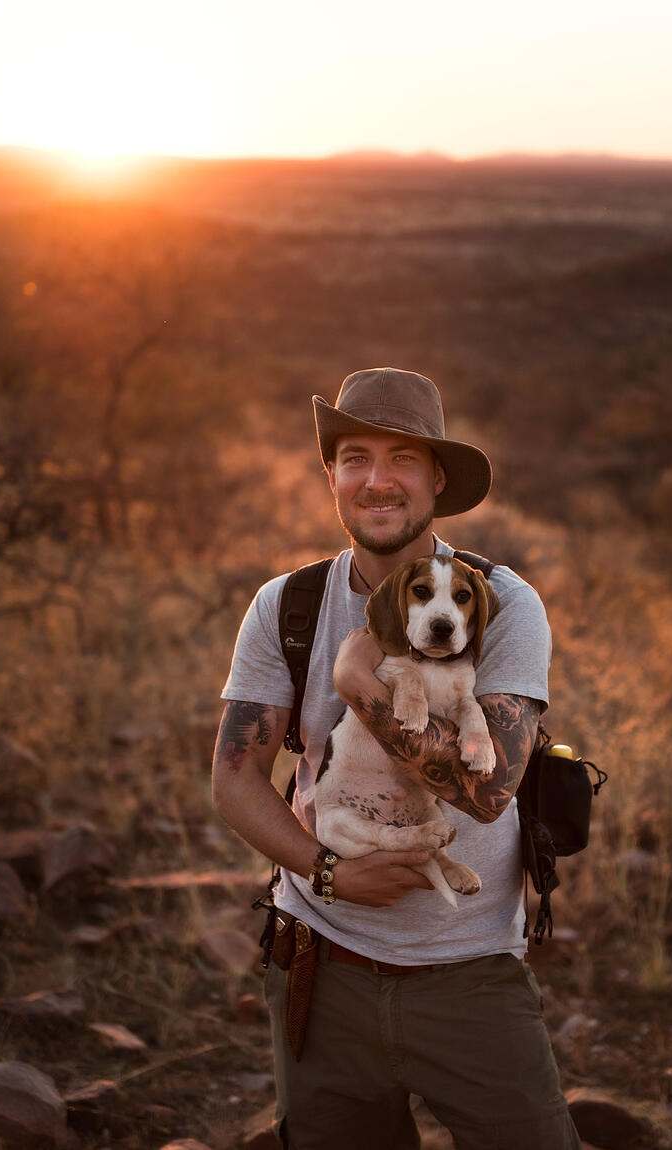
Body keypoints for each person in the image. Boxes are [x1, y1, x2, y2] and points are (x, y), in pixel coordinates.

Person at [212, 367, 581, 1150]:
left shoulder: (501, 602)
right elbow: (236, 775)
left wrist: (362, 687)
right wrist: (324, 872)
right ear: (332, 478)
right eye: (354, 459)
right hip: (321, 959)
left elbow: (486, 794)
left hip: (471, 970)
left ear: (437, 479)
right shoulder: (289, 606)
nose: (377, 481)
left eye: (402, 459)